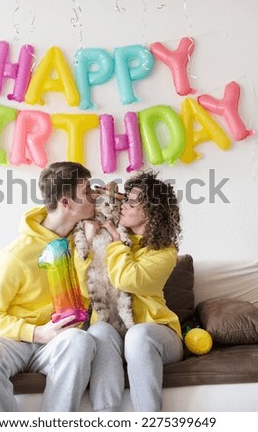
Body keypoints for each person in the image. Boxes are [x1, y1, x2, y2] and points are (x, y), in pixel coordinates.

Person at [0, 161, 101, 412]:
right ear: (65, 202)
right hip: (13, 340)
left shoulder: (83, 241)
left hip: (58, 341)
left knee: (81, 342)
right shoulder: (16, 254)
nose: (94, 197)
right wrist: (35, 333)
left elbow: (88, 298)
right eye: (87, 192)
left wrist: (87, 253)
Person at [79, 170, 183, 412]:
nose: (124, 206)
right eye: (125, 200)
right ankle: (107, 419)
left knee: (138, 335)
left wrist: (117, 242)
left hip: (158, 334)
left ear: (151, 212)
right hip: (116, 334)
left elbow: (126, 279)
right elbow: (87, 286)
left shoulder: (164, 252)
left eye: (132, 203)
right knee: (99, 331)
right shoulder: (106, 237)